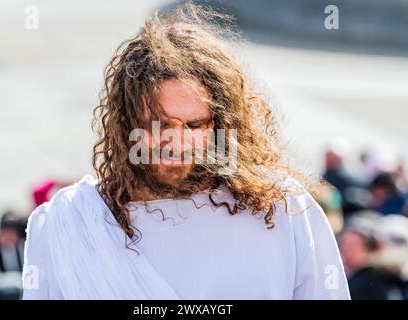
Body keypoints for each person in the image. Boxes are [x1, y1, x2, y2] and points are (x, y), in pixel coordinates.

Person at [22, 4, 349, 300]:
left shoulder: (285, 211)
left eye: (194, 126)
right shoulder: (67, 225)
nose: (176, 144)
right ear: (126, 124)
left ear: (221, 126)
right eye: (159, 124)